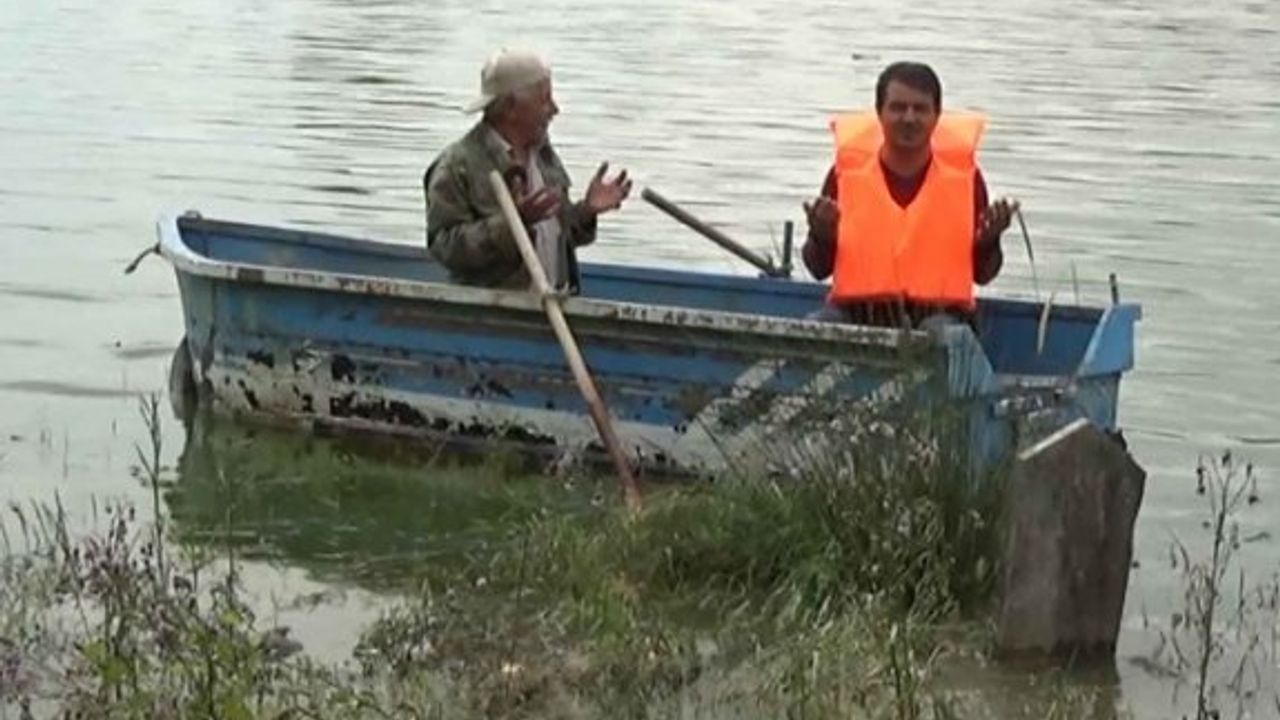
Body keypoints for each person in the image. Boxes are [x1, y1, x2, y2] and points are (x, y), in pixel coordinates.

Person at [802, 61, 1018, 329]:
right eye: (898, 108)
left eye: (920, 109)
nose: (909, 118)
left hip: (942, 316)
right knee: (816, 325)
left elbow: (984, 275)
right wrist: (821, 236)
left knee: (941, 333)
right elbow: (817, 269)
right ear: (880, 113)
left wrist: (989, 241)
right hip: (857, 314)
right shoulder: (844, 175)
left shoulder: (967, 179)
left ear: (936, 116)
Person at [424, 49, 632, 292]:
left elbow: (557, 236)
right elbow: (446, 248)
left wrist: (587, 211)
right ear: (512, 107)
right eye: (545, 100)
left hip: (554, 307)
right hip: (495, 315)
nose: (554, 109)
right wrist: (514, 223)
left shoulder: (544, 156)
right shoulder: (457, 166)